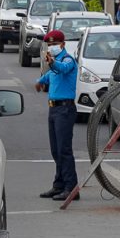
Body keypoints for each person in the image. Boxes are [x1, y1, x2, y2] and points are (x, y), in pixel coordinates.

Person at [34, 30, 79, 202]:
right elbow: (49, 76)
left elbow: (62, 69)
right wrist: (40, 82)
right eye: (49, 45)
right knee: (55, 150)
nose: (51, 47)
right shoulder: (54, 63)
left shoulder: (67, 60)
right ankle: (59, 185)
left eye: (54, 44)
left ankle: (71, 187)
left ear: (63, 44)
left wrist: (52, 63)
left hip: (65, 110)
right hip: (53, 110)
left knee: (64, 150)